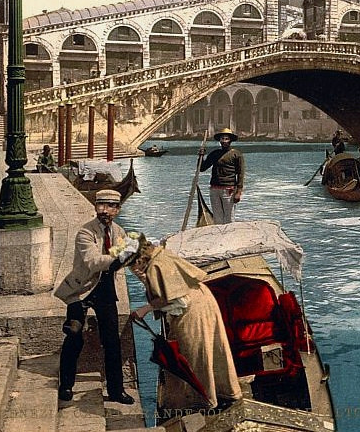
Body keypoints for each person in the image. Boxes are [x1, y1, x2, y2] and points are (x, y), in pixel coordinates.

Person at [128, 236, 241, 413]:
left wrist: (145, 309)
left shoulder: (155, 266)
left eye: (132, 265)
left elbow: (175, 299)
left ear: (139, 258)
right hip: (203, 300)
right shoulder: (161, 255)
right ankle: (225, 392)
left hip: (192, 309)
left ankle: (201, 401)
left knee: (191, 355)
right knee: (213, 349)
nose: (133, 269)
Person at [54, 189, 139, 404]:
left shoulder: (119, 232)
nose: (105, 211)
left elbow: (127, 260)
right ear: (95, 207)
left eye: (111, 207)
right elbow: (93, 262)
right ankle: (66, 385)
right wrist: (122, 256)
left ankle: (116, 391)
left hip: (105, 289)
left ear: (118, 210)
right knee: (74, 335)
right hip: (81, 289)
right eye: (101, 206)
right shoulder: (85, 233)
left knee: (112, 341)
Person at [200, 129, 245, 224]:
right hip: (214, 189)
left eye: (226, 139)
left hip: (229, 189)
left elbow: (241, 174)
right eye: (222, 139)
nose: (224, 141)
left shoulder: (236, 154)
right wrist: (201, 156)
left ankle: (230, 233)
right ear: (220, 141)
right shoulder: (214, 154)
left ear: (230, 140)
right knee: (217, 217)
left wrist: (238, 192)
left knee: (229, 217)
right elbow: (202, 168)